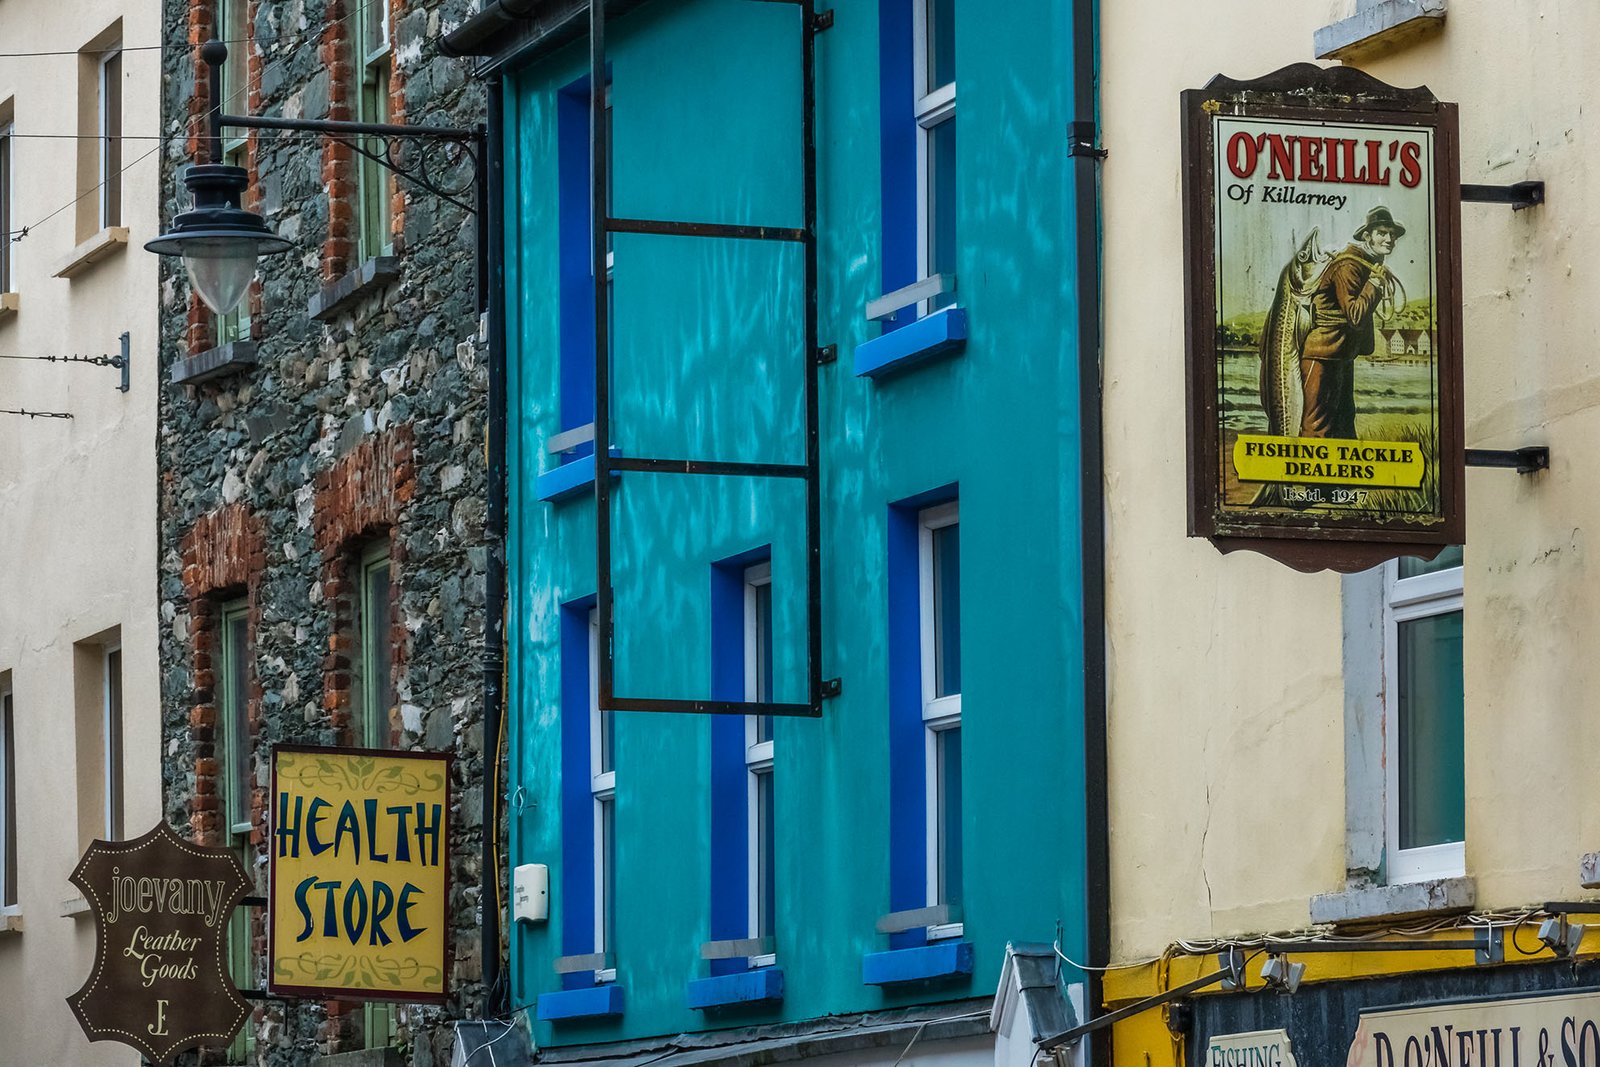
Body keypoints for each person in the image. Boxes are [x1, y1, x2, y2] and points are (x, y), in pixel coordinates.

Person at [1298, 206, 1405, 439]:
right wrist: (1375, 285)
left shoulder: (1364, 263)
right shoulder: (1350, 265)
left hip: (1340, 354)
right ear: (1367, 237)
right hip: (1323, 354)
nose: (1389, 239)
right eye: (1382, 233)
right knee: (1317, 427)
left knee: (1344, 425)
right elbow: (1355, 315)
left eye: (1392, 234)